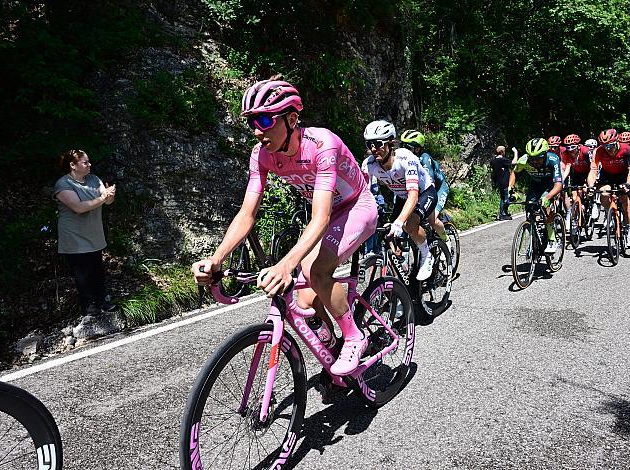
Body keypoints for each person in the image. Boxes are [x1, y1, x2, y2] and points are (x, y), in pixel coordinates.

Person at [192, 78, 377, 376]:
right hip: (328, 214)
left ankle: (355, 336)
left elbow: (321, 218)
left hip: (356, 207)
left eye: (265, 119)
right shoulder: (261, 154)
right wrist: (217, 258)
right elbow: (247, 213)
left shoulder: (322, 144)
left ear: (291, 119)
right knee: (304, 298)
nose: (257, 130)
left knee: (313, 270)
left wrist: (284, 265)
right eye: (252, 121)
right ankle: (331, 350)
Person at [361, 120, 437, 281]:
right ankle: (400, 271)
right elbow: (364, 195)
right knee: (389, 236)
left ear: (390, 143)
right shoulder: (369, 165)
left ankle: (427, 255)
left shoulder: (405, 158)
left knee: (409, 225)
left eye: (378, 143)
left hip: (424, 193)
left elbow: (413, 195)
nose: (373, 149)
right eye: (369, 144)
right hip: (402, 198)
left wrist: (399, 221)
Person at [54, 149, 117, 315]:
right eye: (85, 162)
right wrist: (103, 198)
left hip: (93, 233)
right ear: (73, 165)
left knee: (97, 269)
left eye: (89, 161)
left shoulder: (94, 179)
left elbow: (107, 201)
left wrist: (110, 195)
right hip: (74, 236)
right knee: (82, 273)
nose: (89, 165)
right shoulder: (63, 184)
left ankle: (103, 300)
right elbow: (79, 208)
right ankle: (89, 305)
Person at [508, 138, 563, 253]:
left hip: (550, 186)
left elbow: (558, 185)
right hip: (535, 185)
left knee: (546, 207)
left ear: (544, 155)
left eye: (538, 158)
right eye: (532, 158)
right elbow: (514, 173)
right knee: (529, 209)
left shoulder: (553, 159)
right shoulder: (524, 160)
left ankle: (552, 239)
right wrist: (511, 189)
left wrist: (547, 198)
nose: (534, 161)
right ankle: (534, 239)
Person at [587, 128, 630, 248]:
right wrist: (590, 186)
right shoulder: (599, 151)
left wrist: (628, 184)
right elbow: (593, 171)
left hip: (623, 175)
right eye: (605, 147)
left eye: (611, 146)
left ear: (617, 142)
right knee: (604, 194)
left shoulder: (627, 149)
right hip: (607, 175)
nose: (609, 149)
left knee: (627, 204)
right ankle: (611, 213)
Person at [398, 129, 448, 240]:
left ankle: (446, 241)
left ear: (417, 149)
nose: (404, 150)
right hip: (420, 190)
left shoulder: (424, 158)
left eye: (408, 147)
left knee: (432, 219)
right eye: (402, 146)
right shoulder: (401, 160)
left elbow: (431, 185)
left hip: (439, 188)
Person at [490, 145, 519, 220]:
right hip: (504, 182)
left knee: (502, 198)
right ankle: (502, 214)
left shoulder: (493, 161)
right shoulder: (502, 160)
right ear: (502, 152)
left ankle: (503, 213)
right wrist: (515, 152)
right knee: (507, 199)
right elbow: (514, 162)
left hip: (498, 182)